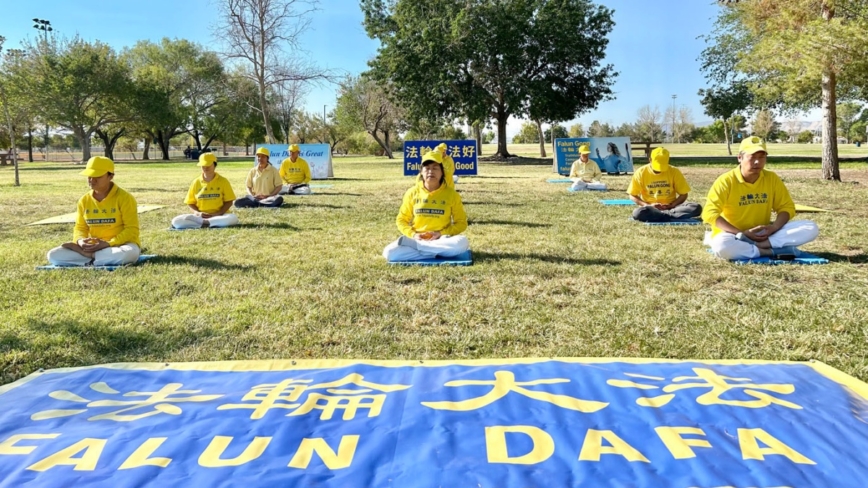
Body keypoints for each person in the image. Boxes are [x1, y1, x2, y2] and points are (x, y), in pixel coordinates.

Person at [703, 136, 819, 260]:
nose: (757, 162)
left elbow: (786, 207)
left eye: (761, 157)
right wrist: (741, 233)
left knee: (810, 227)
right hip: (732, 234)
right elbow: (710, 214)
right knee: (722, 247)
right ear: (739, 158)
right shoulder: (726, 181)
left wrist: (773, 228)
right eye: (752, 157)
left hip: (763, 235)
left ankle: (758, 246)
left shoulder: (771, 178)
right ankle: (770, 251)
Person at [46, 156, 141, 266]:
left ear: (111, 176)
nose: (92, 180)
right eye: (89, 176)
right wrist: (80, 241)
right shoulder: (84, 200)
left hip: (120, 245)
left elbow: (132, 229)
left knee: (128, 254)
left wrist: (109, 243)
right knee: (53, 255)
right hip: (93, 247)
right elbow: (80, 228)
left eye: (97, 176)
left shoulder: (125, 198)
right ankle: (97, 258)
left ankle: (90, 258)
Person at [382, 150, 469, 261]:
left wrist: (440, 233)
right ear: (421, 172)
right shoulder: (412, 192)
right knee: (389, 253)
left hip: (442, 239)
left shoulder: (452, 194)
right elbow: (401, 220)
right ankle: (434, 252)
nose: (430, 172)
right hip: (417, 239)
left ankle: (423, 249)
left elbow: (461, 223)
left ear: (442, 172)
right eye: (427, 168)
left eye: (435, 168)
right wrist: (413, 235)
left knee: (462, 243)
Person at [627, 147, 701, 222]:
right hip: (650, 209)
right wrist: (647, 205)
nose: (659, 170)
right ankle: (670, 215)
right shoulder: (641, 172)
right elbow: (632, 195)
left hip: (673, 207)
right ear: (650, 160)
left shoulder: (674, 171)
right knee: (637, 213)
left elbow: (684, 194)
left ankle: (664, 215)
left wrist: (672, 205)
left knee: (695, 207)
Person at [171, 153, 239, 229]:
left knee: (233, 218)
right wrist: (197, 213)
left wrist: (219, 213)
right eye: (203, 165)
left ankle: (205, 223)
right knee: (176, 221)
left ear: (214, 164)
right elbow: (190, 202)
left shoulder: (223, 181)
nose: (205, 167)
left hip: (220, 216)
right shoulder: (196, 182)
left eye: (208, 165)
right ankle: (206, 223)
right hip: (200, 217)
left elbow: (229, 201)